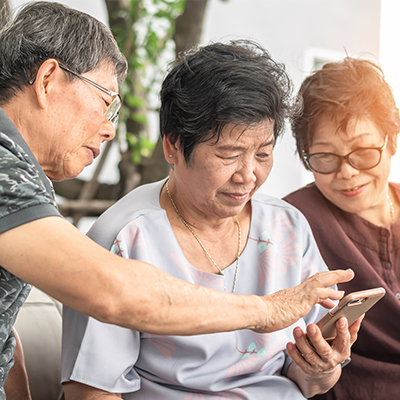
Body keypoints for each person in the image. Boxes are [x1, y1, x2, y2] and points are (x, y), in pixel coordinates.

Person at [0, 2, 355, 399]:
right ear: (48, 79)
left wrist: (320, 367)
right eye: (105, 102)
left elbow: (4, 329)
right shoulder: (8, 171)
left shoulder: (24, 179)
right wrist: (269, 310)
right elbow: (112, 292)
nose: (108, 130)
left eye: (263, 153)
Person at [284, 57, 400, 399]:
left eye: (363, 152)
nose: (347, 172)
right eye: (325, 158)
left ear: (391, 141)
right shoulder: (292, 220)